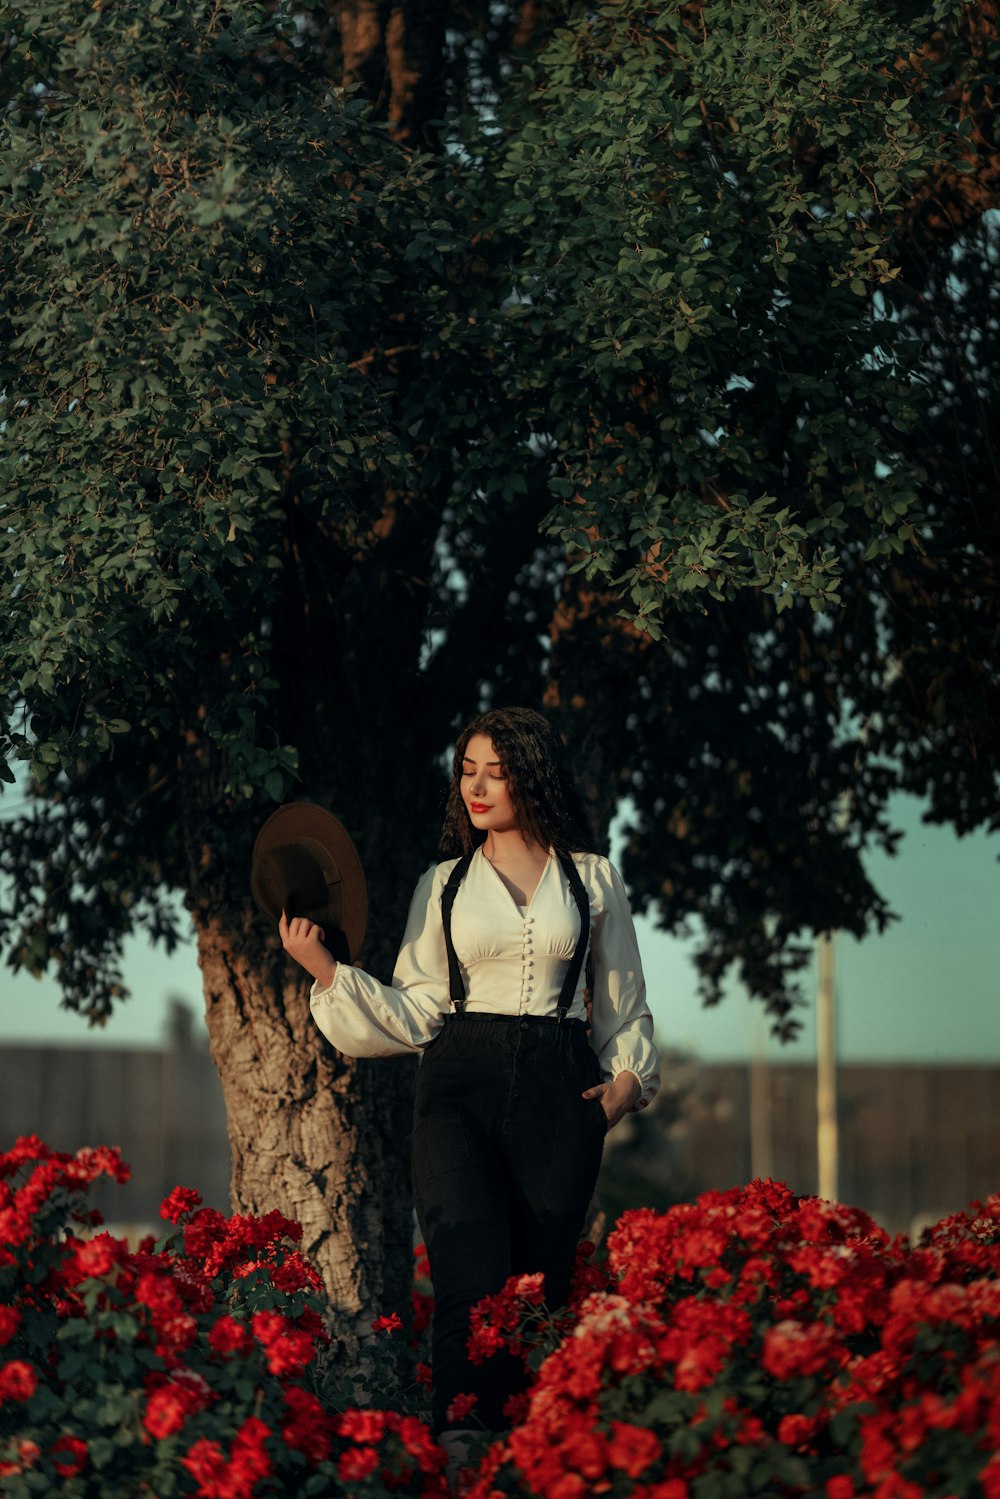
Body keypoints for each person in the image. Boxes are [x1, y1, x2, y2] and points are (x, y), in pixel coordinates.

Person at [279, 706, 659, 1460]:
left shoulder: (592, 879)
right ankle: (457, 1452)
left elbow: (624, 1005)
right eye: (467, 770)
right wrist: (328, 972)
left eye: (496, 769)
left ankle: (526, 1458)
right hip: (457, 1082)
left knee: (537, 1293)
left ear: (534, 776)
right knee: (468, 1273)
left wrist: (621, 1090)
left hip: (562, 1089)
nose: (476, 786)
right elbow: (417, 1008)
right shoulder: (444, 883)